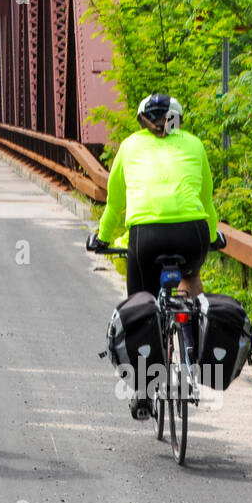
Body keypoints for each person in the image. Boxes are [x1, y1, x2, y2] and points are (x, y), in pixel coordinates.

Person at [88, 94, 225, 418]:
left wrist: (104, 237)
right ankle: (193, 353)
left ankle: (143, 390)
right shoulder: (194, 144)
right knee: (190, 277)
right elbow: (206, 201)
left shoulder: (130, 146)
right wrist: (211, 234)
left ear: (141, 119)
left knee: (142, 300)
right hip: (191, 234)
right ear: (178, 119)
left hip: (146, 236)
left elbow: (116, 203)